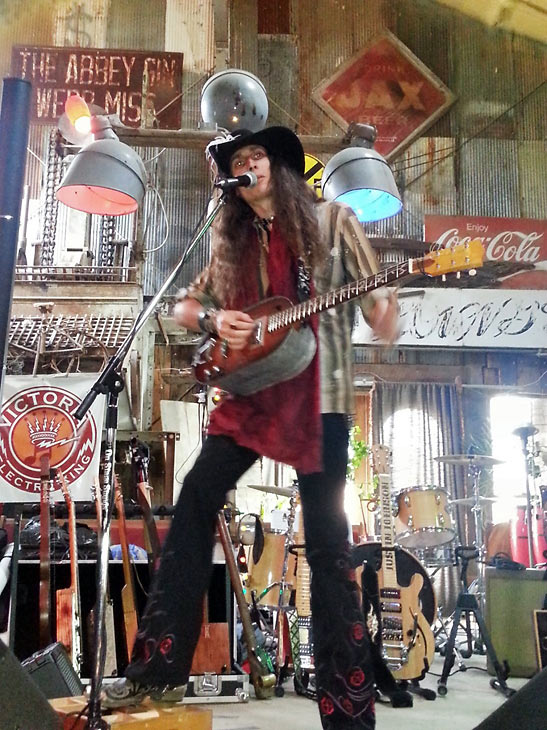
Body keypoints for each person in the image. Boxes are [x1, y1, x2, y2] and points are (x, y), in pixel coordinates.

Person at [103, 126, 399, 729]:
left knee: (326, 548)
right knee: (192, 502)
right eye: (237, 161)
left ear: (280, 167)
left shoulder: (332, 220)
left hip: (322, 397)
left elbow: (380, 310)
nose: (246, 165)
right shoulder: (228, 239)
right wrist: (217, 318)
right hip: (247, 396)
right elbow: (184, 306)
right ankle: (156, 673)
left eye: (255, 155)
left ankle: (348, 713)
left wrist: (386, 312)